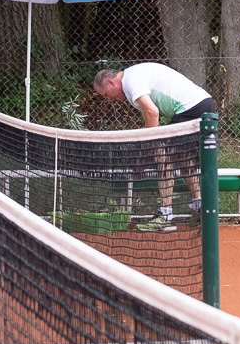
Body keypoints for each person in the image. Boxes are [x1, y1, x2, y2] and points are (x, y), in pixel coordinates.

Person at [92, 63, 217, 232]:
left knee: (161, 156)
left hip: (191, 108)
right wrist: (148, 140)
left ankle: (166, 216)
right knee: (182, 156)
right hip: (201, 104)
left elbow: (153, 112)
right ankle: (199, 206)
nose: (108, 99)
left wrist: (151, 144)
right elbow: (148, 115)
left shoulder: (130, 80)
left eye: (106, 94)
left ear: (111, 82)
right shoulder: (132, 81)